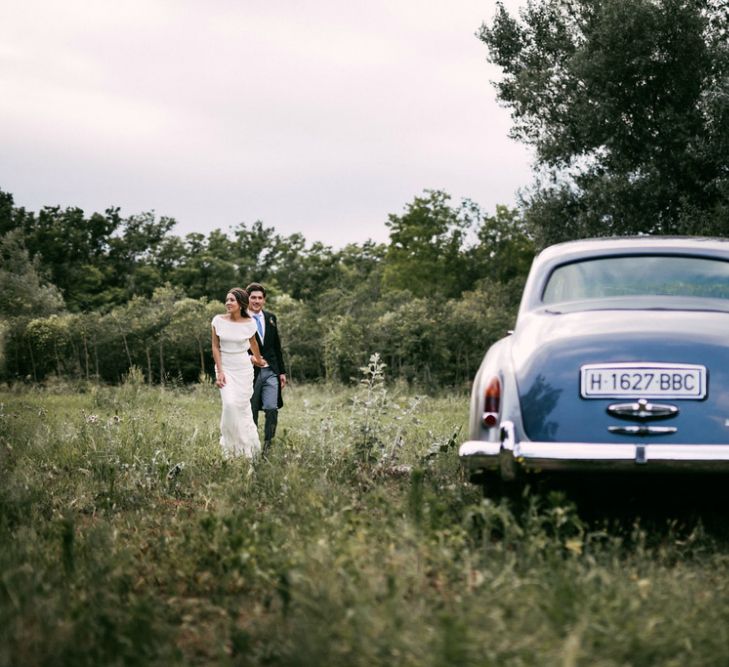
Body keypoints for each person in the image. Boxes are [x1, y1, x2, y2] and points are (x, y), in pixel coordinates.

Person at [211, 288, 265, 459]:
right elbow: (215, 346)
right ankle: (230, 448)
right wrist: (220, 371)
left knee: (242, 408)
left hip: (243, 369)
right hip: (225, 367)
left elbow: (254, 342)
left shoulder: (249, 323)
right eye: (227, 300)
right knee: (229, 405)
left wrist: (257, 359)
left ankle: (248, 449)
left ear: (241, 303)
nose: (228, 303)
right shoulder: (218, 320)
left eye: (232, 300)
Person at [246, 282, 286, 455]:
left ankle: (268, 448)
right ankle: (252, 448)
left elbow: (277, 346)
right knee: (252, 411)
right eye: (253, 297)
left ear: (264, 300)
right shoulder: (241, 318)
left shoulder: (271, 317)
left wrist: (282, 372)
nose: (256, 301)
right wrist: (250, 358)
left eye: (259, 298)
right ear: (247, 299)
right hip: (250, 373)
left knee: (271, 408)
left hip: (271, 372)